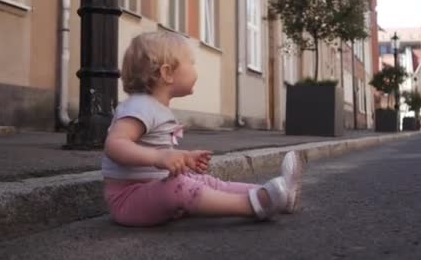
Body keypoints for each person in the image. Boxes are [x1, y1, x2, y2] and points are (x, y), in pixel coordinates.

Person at [103, 32, 303, 226]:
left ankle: (275, 193)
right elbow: (115, 145)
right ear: (166, 73)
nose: (195, 68)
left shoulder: (154, 107)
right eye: (191, 63)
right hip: (129, 200)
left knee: (206, 182)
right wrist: (159, 158)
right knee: (178, 186)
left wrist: (184, 157)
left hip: (149, 192)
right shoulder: (139, 107)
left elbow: (156, 150)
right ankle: (255, 204)